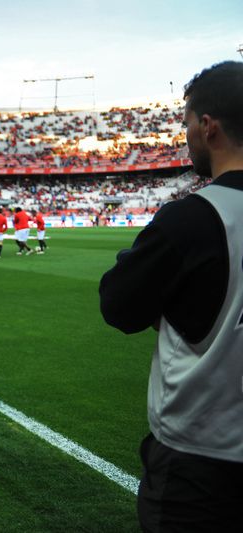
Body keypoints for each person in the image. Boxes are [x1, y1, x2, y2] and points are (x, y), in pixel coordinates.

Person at [99, 61, 243, 532]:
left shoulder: (191, 219)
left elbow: (118, 307)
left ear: (208, 126)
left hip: (200, 460)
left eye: (186, 124)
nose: (186, 136)